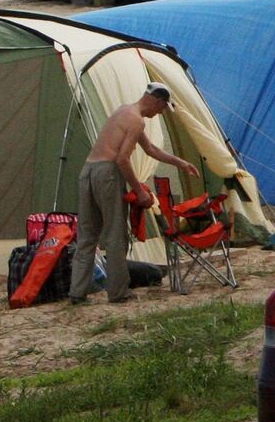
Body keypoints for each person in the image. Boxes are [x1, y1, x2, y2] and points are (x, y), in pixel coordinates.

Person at [69, 83, 198, 305]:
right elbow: (121, 159)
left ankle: (77, 293)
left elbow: (151, 150)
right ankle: (119, 292)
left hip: (88, 171)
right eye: (162, 108)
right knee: (115, 234)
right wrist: (139, 191)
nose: (160, 113)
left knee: (87, 236)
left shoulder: (123, 111)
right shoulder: (137, 121)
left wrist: (181, 163)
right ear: (156, 101)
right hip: (107, 173)